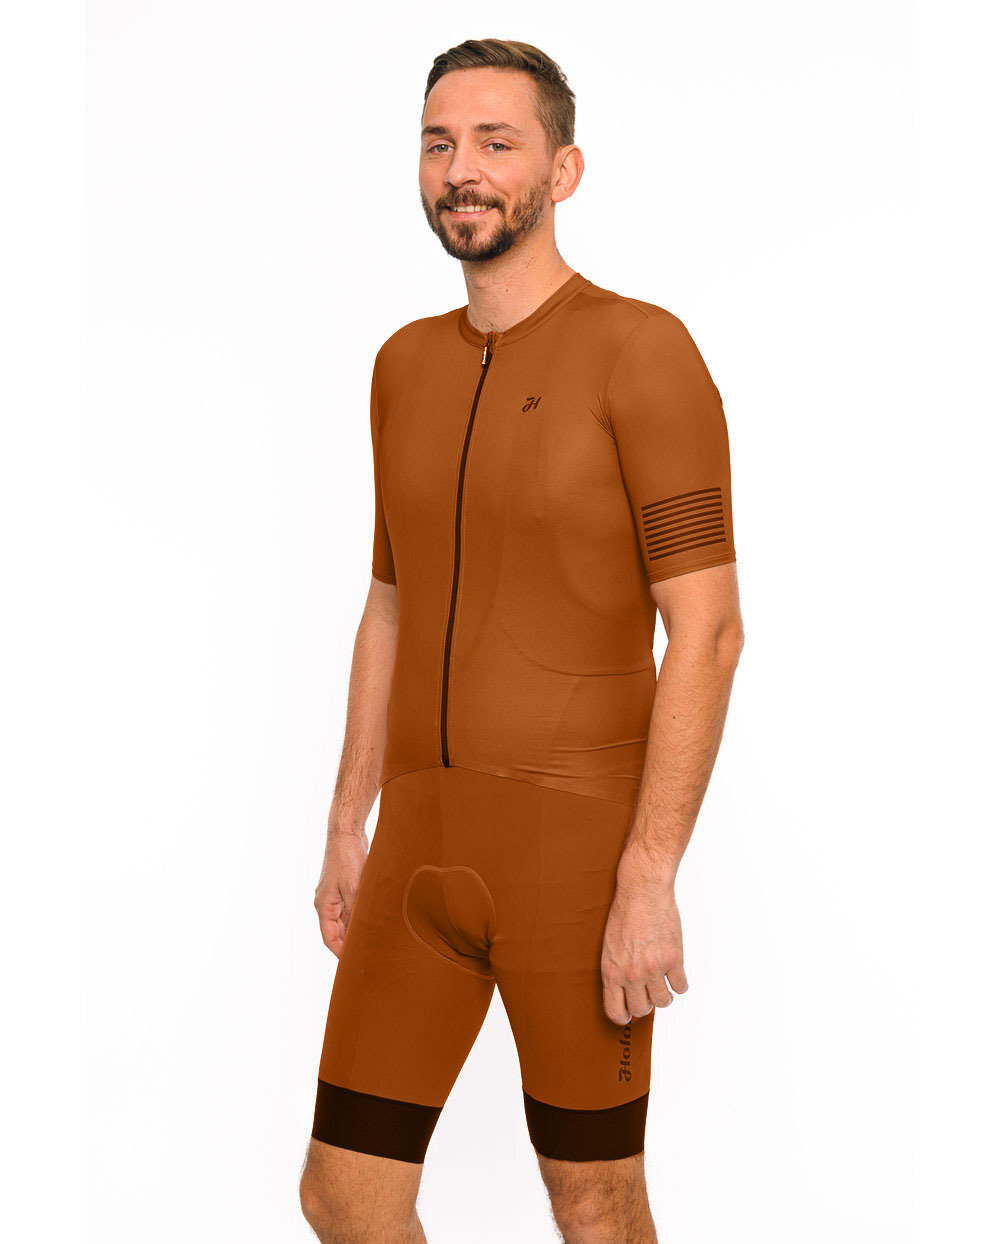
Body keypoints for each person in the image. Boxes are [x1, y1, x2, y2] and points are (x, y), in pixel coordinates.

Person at [299, 37, 744, 1244]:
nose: (463, 169)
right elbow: (389, 600)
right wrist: (347, 818)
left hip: (576, 855)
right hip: (418, 847)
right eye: (439, 143)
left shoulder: (641, 350)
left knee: (593, 1202)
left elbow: (707, 628)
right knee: (345, 1193)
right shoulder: (402, 366)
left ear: (563, 169)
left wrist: (649, 871)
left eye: (497, 142)